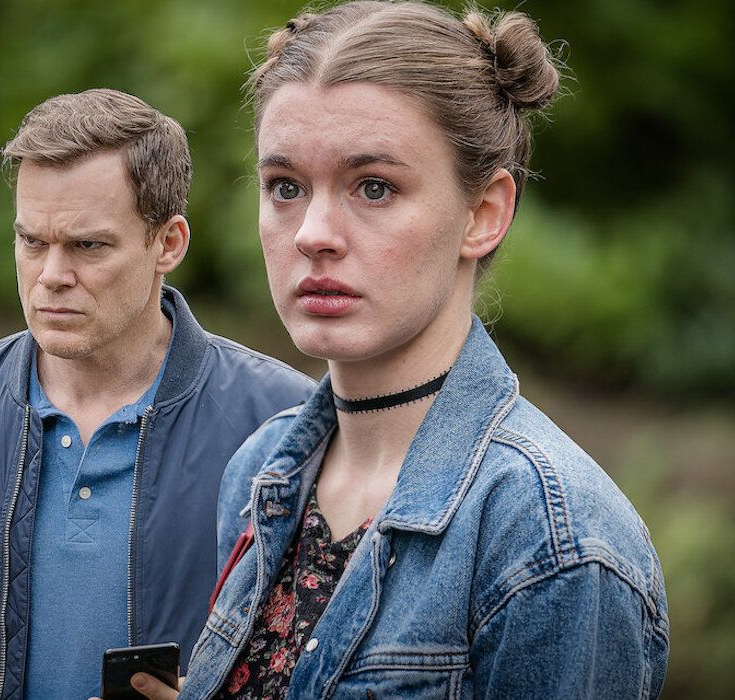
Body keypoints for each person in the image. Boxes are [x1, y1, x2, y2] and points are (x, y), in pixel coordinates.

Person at [126, 3, 669, 698]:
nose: (313, 233)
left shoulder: (552, 543)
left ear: (485, 213)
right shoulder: (259, 473)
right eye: (285, 187)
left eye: (374, 187)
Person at [0, 88, 316, 699]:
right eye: (32, 241)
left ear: (168, 244)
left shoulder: (285, 427)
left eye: (87, 246)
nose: (51, 276)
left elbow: (326, 672)